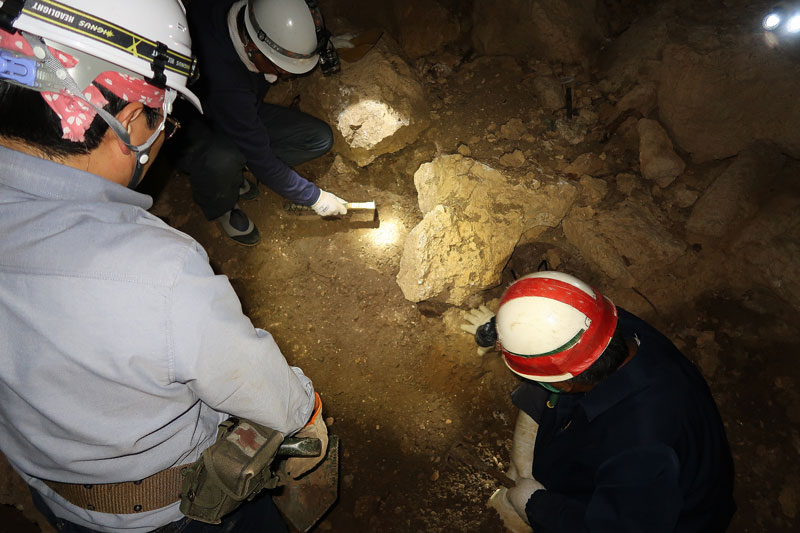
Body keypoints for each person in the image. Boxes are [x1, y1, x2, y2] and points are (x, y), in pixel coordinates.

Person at [0, 1, 326, 531]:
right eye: (162, 123)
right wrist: (307, 409)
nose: (159, 141)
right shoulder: (157, 272)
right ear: (128, 120)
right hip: (172, 511)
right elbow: (269, 395)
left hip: (56, 497)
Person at [462, 271, 736, 533]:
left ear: (565, 384)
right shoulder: (609, 326)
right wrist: (506, 330)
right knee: (539, 404)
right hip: (635, 461)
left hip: (663, 520)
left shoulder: (643, 444)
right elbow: (553, 318)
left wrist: (536, 506)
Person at [172, 0, 347, 246]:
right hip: (193, 127)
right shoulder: (225, 81)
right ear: (253, 49)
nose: (286, 74)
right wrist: (315, 198)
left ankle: (243, 170)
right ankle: (223, 205)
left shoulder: (258, 14)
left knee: (318, 138)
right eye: (282, 67)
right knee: (223, 158)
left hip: (242, 113)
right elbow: (254, 144)